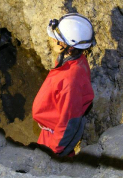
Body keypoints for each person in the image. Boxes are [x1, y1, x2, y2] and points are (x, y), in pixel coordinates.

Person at [32, 13, 95, 157]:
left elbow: (68, 123)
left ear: (70, 47)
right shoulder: (73, 60)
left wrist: (53, 152)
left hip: (56, 134)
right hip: (51, 126)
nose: (53, 39)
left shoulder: (71, 79)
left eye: (58, 39)